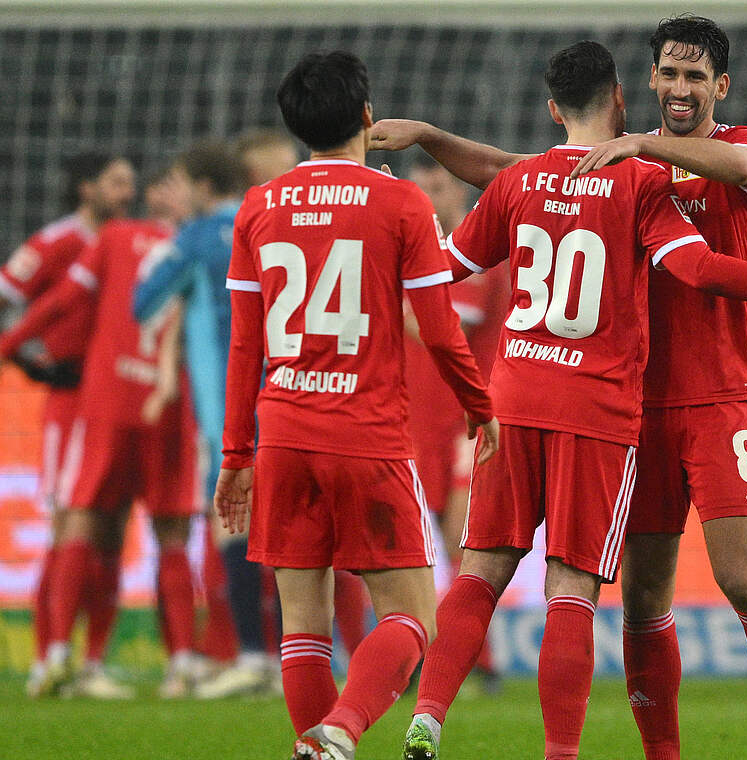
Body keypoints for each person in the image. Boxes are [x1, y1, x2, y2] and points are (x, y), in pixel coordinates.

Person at [373, 17, 747, 760]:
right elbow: (519, 170)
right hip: (630, 407)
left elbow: (736, 172)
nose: (680, 88)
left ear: (720, 87)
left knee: (741, 577)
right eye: (669, 73)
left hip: (721, 395)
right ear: (646, 82)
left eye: (696, 77)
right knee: (640, 600)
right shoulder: (626, 166)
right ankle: (662, 754)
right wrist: (436, 138)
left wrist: (641, 146)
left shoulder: (739, 147)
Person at [213, 50, 499, 760]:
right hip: (366, 434)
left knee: (302, 624)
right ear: (368, 120)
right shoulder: (403, 203)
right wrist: (479, 405)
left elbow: (244, 348)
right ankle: (339, 731)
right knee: (413, 616)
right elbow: (438, 327)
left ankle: (316, 744)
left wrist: (235, 455)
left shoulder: (258, 206)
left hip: (281, 431)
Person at [0, 205, 203, 699]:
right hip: (167, 403)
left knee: (81, 523)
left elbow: (66, 297)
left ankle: (58, 656)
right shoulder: (197, 239)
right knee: (171, 534)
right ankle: (182, 665)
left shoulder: (115, 237)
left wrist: (8, 342)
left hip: (107, 400)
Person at [0, 152, 137, 700]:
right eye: (116, 183)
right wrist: (33, 365)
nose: (126, 193)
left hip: (116, 402)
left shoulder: (130, 241)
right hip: (72, 404)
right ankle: (48, 659)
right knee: (72, 524)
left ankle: (91, 664)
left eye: (130, 183)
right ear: (85, 188)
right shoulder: (57, 242)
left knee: (111, 530)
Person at [133, 141, 276, 697]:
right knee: (292, 536)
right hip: (293, 394)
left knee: (231, 526)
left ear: (200, 185)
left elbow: (142, 303)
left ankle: (254, 657)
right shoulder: (268, 219)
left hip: (229, 407)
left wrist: (177, 246)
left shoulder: (195, 239)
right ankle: (296, 658)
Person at [402, 156, 509, 693]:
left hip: (469, 420)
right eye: (418, 190)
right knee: (418, 544)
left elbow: (442, 331)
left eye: (436, 187)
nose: (428, 199)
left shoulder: (478, 258)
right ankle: (429, 655)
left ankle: (477, 661)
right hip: (412, 419)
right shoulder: (410, 254)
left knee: (461, 542)